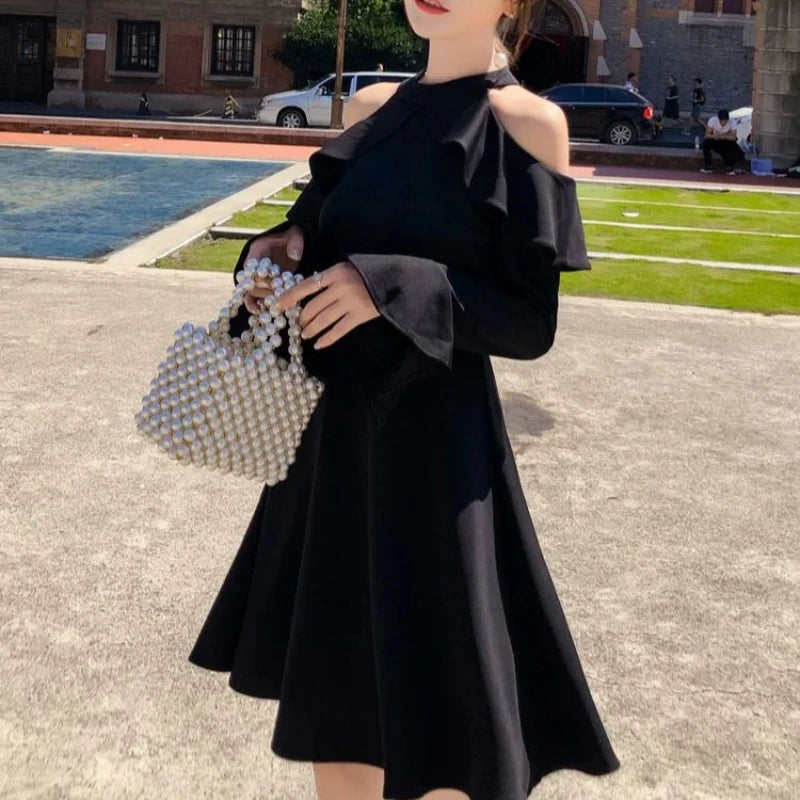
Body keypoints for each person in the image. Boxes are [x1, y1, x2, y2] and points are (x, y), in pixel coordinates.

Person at [188, 1, 621, 799]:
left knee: (446, 710)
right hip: (332, 447)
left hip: (438, 454)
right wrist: (273, 257)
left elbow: (529, 322)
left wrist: (385, 286)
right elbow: (313, 234)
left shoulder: (529, 124)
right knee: (338, 698)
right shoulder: (372, 109)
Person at [701, 108, 745, 175]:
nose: (723, 123)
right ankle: (708, 167)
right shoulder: (712, 121)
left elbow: (733, 137)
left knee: (731, 146)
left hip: (726, 140)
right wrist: (715, 136)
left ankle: (729, 167)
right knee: (706, 143)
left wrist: (724, 136)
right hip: (715, 139)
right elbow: (707, 135)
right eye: (721, 121)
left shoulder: (732, 122)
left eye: (725, 121)